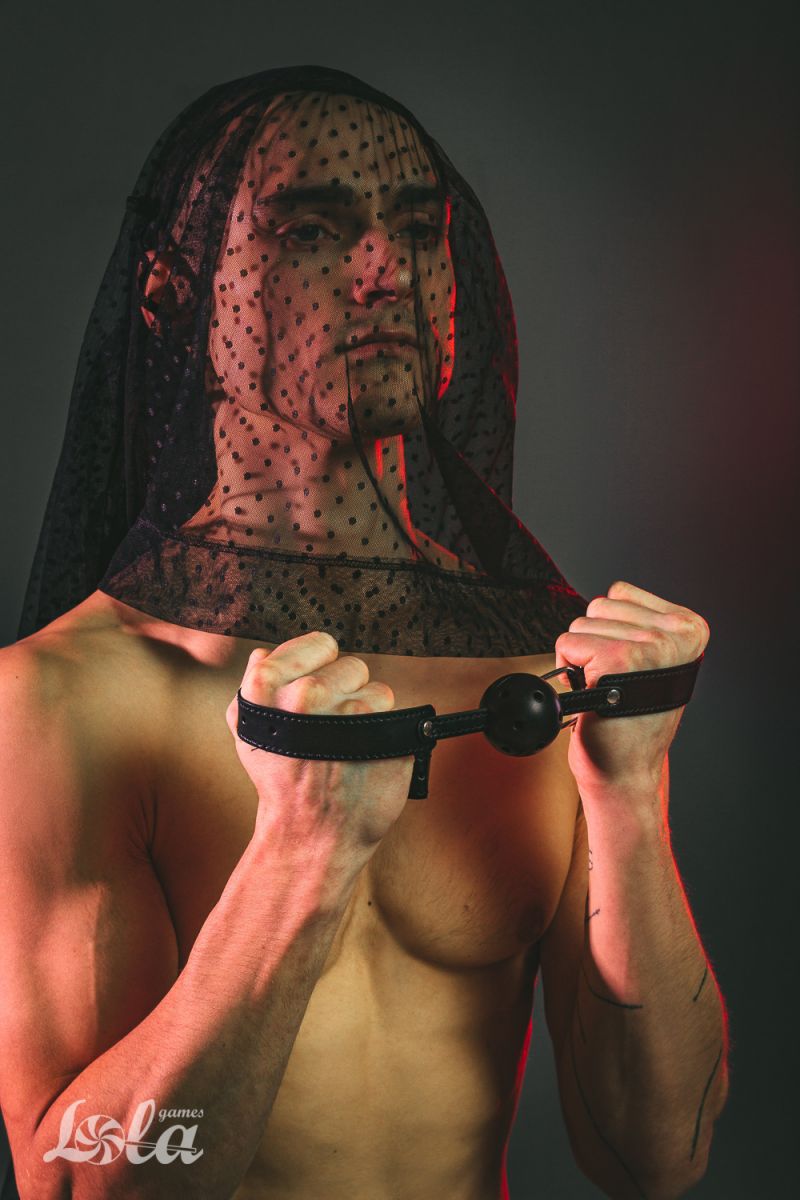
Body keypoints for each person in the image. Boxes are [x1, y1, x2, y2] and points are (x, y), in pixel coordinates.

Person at [0, 66, 728, 1199]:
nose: (387, 271)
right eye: (311, 231)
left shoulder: (543, 675)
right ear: (171, 295)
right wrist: (299, 858)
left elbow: (658, 1158)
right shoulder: (61, 701)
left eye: (419, 231)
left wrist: (630, 794)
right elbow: (69, 1178)